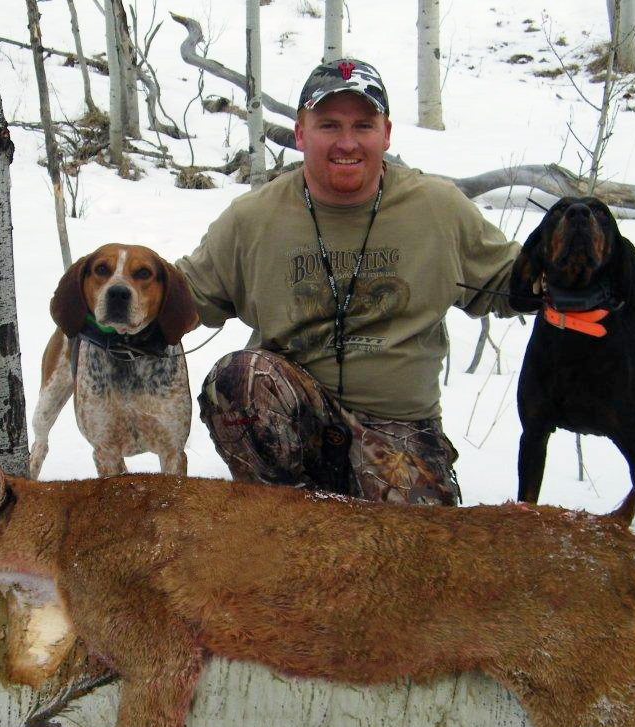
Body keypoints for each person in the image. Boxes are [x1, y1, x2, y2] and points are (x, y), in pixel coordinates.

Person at [175, 59, 518, 505]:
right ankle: (281, 522)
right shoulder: (252, 219)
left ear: (386, 133)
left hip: (398, 427)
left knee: (417, 558)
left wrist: (589, 276)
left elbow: (513, 280)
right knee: (239, 378)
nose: (347, 142)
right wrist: (105, 298)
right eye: (329, 125)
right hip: (294, 419)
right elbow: (177, 296)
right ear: (300, 133)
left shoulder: (439, 208)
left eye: (363, 125)